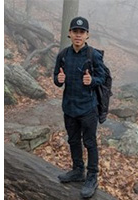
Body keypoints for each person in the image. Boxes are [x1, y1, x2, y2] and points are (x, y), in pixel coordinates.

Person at [53, 16, 105, 198]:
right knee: (73, 141)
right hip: (69, 107)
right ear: (69, 33)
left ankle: (92, 176)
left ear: (87, 35)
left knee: (89, 143)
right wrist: (58, 80)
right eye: (75, 31)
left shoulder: (94, 55)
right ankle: (77, 170)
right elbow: (56, 79)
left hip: (88, 108)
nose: (78, 35)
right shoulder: (63, 55)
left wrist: (92, 81)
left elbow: (103, 78)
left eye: (82, 32)